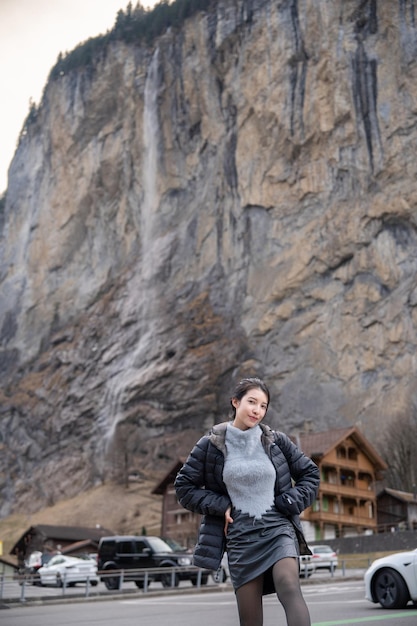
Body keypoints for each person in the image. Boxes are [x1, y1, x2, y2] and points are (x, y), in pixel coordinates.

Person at [175, 377, 320, 626]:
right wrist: (221, 506)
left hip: (278, 529)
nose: (257, 410)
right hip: (240, 538)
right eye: (252, 402)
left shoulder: (277, 441)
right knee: (250, 619)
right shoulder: (210, 445)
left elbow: (311, 475)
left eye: (263, 406)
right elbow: (184, 487)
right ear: (235, 402)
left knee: (289, 585)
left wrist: (289, 501)